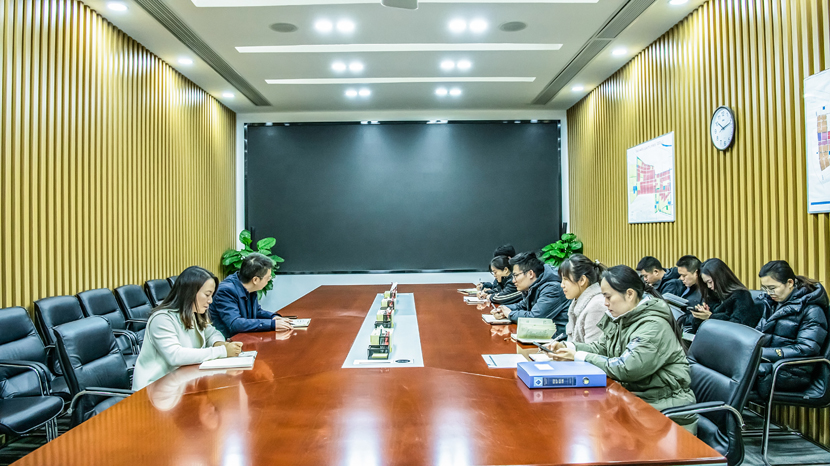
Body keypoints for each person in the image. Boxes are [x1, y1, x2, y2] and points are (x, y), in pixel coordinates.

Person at [545, 265, 697, 433]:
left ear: (630, 294)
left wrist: (577, 356)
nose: (605, 303)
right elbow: (602, 347)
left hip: (664, 411)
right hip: (637, 400)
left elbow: (627, 368)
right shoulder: (624, 317)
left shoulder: (653, 326)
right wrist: (568, 346)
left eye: (608, 296)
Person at [132, 266, 243, 390]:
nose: (210, 300)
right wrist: (222, 351)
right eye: (207, 295)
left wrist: (218, 343)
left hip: (180, 383)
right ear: (190, 293)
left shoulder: (193, 313)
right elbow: (175, 356)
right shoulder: (162, 319)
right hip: (153, 389)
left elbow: (212, 333)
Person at [754, 260, 829, 398]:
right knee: (724, 365)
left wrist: (763, 353)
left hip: (792, 371)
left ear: (789, 283)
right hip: (770, 363)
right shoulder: (772, 303)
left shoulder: (812, 310)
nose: (769, 293)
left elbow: (806, 349)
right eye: (765, 288)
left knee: (738, 373)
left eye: (772, 288)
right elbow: (758, 333)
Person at [209, 253, 293, 338]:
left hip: (246, 337)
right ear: (255, 280)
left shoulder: (249, 287)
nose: (269, 280)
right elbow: (235, 323)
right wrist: (271, 324)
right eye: (268, 278)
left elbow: (256, 311)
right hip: (230, 341)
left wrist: (273, 317)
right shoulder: (226, 291)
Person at [491, 251, 570, 337]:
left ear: (531, 274)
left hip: (556, 340)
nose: (513, 280)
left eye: (516, 275)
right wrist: (503, 309)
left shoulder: (552, 288)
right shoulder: (534, 285)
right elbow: (522, 305)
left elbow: (535, 318)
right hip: (541, 335)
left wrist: (510, 314)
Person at [690, 258, 761, 333]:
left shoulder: (742, 296)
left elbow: (739, 326)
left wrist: (711, 317)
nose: (709, 286)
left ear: (721, 279)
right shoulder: (713, 297)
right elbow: (697, 331)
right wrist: (700, 317)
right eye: (706, 283)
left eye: (710, 282)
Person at [559, 254, 607, 344]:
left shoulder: (597, 305)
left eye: (565, 279)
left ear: (582, 280)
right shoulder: (576, 302)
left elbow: (592, 349)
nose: (562, 285)